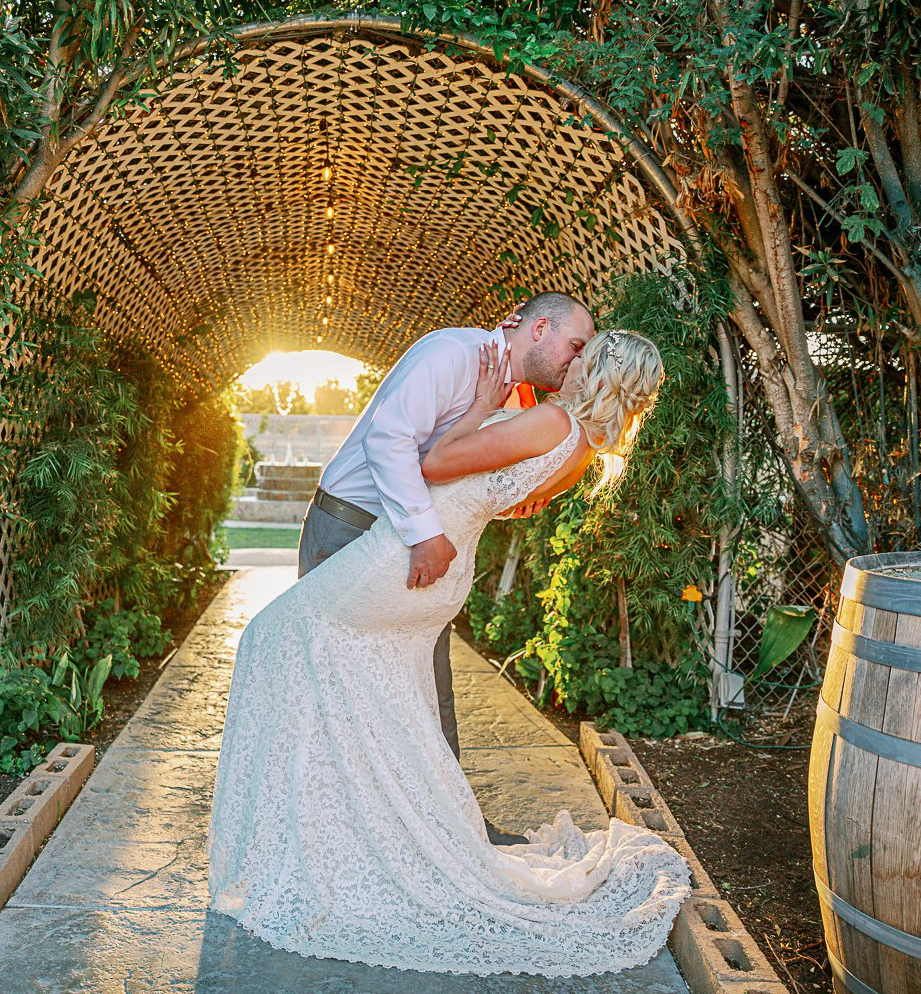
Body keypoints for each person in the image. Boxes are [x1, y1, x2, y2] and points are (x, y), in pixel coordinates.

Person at [208, 328, 692, 977]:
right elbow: (505, 496)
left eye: (584, 353)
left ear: (599, 370)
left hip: (403, 561)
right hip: (440, 569)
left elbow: (432, 461)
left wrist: (480, 404)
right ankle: (366, 835)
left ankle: (336, 844)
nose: (571, 361)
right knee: (382, 701)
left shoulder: (551, 420)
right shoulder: (583, 448)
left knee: (272, 639)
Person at [298, 292, 595, 844]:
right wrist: (426, 534)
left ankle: (452, 834)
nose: (576, 362)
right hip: (353, 528)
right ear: (538, 330)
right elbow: (391, 442)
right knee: (341, 689)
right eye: (574, 346)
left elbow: (460, 471)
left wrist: (514, 494)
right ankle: (338, 838)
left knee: (429, 685)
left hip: (403, 538)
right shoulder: (451, 354)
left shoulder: (511, 389)